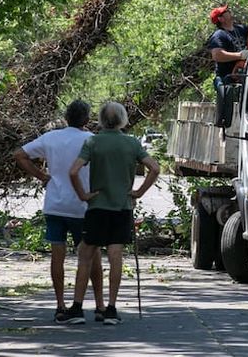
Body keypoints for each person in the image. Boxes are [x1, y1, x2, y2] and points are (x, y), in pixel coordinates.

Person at [63, 101, 160, 325]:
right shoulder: (131, 143)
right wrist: (138, 193)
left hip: (97, 207)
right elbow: (154, 168)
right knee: (115, 256)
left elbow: (73, 171)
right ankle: (111, 309)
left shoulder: (92, 142)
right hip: (121, 207)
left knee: (85, 255)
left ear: (100, 120)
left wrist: (83, 195)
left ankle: (77, 308)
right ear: (123, 120)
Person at [13, 100, 104, 323]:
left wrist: (42, 176)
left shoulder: (51, 138)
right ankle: (100, 305)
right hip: (82, 205)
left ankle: (60, 305)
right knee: (92, 257)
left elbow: (19, 154)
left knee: (57, 255)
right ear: (86, 119)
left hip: (55, 203)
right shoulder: (91, 140)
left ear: (66, 117)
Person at [206, 5, 248, 87]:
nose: (229, 12)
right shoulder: (219, 35)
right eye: (226, 12)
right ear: (221, 19)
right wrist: (240, 55)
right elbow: (217, 55)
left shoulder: (240, 29)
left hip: (245, 75)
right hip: (229, 80)